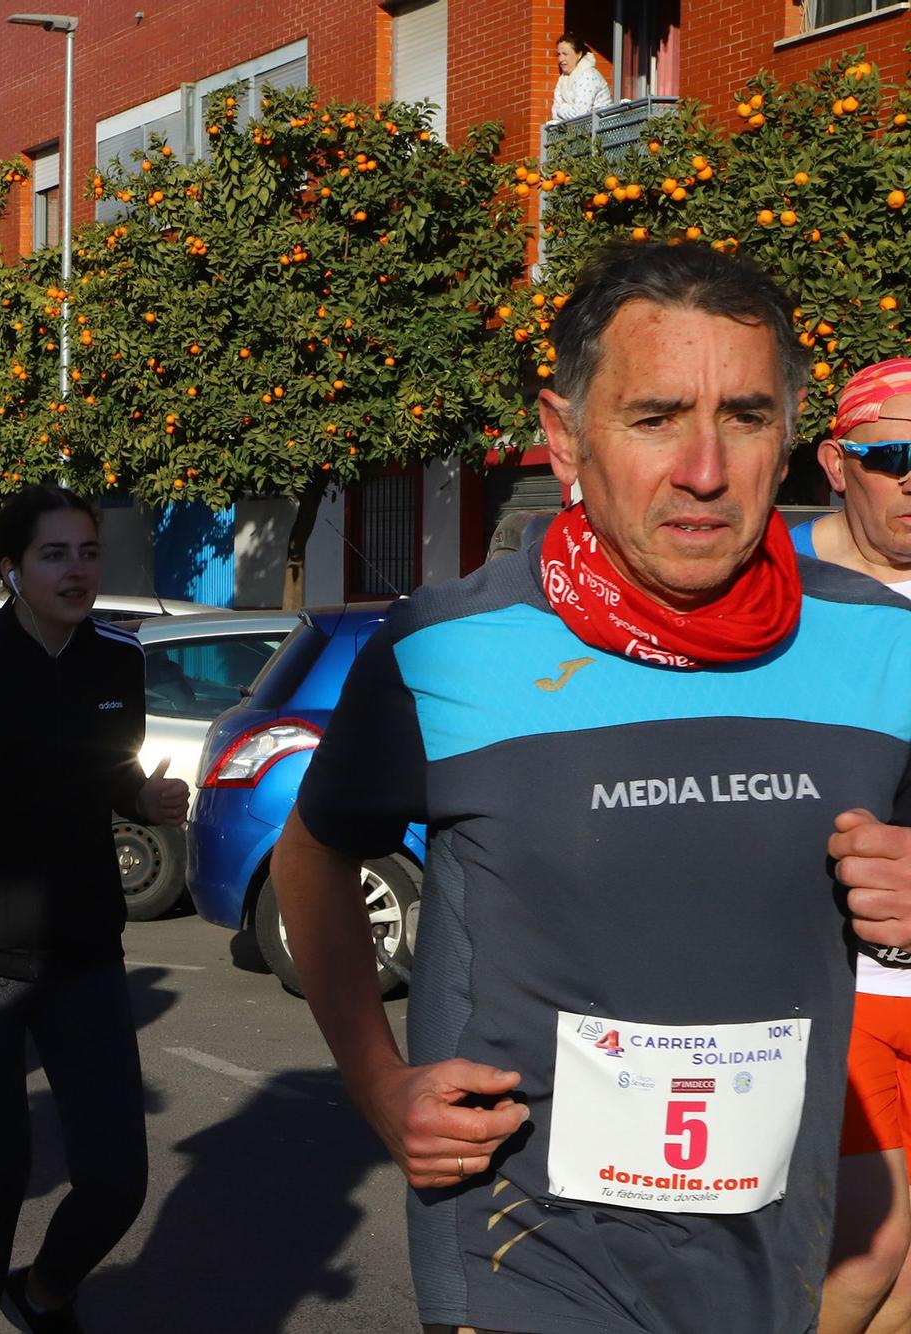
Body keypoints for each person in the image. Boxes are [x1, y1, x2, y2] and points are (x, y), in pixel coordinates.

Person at [271, 243, 911, 1334]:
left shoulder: (883, 646)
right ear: (565, 436)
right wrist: (380, 1084)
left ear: (791, 436)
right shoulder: (448, 647)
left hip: (770, 1244)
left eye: (745, 416)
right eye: (654, 416)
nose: (702, 467)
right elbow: (311, 853)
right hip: (521, 1249)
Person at [0, 485, 187, 1333]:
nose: (77, 571)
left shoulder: (119, 657)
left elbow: (110, 775)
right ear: (11, 568)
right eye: (54, 554)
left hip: (83, 947)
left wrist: (145, 799)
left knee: (116, 1181)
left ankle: (42, 1293)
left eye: (88, 552)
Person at [790, 359, 911, 1334]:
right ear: (835, 462)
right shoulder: (778, 593)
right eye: (891, 456)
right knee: (862, 1260)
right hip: (837, 987)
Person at [551, 31, 612, 123]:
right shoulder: (562, 79)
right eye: (559, 54)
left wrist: (562, 108)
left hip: (602, 132)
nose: (560, 59)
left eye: (565, 54)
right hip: (581, 132)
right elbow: (554, 113)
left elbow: (580, 115)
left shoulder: (589, 75)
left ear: (579, 54)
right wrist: (565, 110)